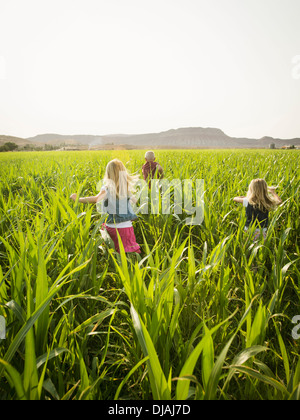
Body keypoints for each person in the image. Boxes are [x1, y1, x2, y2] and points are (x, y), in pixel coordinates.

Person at [70, 159, 141, 254]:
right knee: (129, 250)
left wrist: (78, 199)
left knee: (113, 252)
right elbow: (136, 202)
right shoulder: (126, 188)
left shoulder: (106, 189)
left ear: (108, 174)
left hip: (111, 227)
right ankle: (131, 266)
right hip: (126, 227)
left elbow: (95, 199)